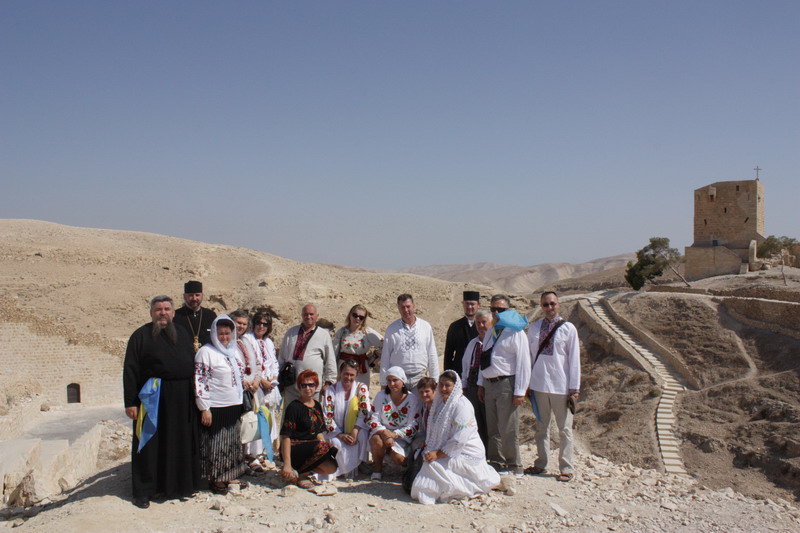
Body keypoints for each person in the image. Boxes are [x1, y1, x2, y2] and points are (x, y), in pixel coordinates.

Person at [123, 295, 200, 508]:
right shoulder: (140, 336)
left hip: (182, 397)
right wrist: (130, 402)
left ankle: (177, 486)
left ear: (173, 313)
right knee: (149, 443)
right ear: (151, 312)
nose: (163, 313)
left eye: (167, 309)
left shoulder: (182, 333)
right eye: (158, 309)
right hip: (153, 396)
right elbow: (130, 370)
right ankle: (144, 491)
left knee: (178, 441)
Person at [411, 371, 500, 505]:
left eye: (448, 385)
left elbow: (459, 440)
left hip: (466, 451)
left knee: (433, 465)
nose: (443, 389)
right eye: (441, 385)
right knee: (424, 459)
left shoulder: (462, 406)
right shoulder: (441, 404)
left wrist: (437, 454)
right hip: (446, 449)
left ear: (455, 386)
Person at [525, 291, 581, 482]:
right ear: (541, 306)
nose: (549, 307)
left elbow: (574, 359)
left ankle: (566, 467)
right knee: (541, 427)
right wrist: (527, 384)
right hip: (539, 384)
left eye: (552, 304)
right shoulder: (534, 328)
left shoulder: (568, 329)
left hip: (561, 386)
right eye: (545, 304)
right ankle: (541, 463)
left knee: (565, 429)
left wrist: (574, 388)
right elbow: (528, 358)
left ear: (558, 304)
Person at [477, 294, 531, 476]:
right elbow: (484, 357)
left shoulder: (516, 333)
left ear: (508, 310)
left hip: (506, 385)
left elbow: (524, 363)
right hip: (489, 384)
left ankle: (514, 464)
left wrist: (520, 391)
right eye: (493, 309)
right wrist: (480, 383)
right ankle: (496, 461)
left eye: (500, 309)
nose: (496, 313)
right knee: (493, 428)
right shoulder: (492, 331)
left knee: (508, 427)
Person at [194, 315, 248, 495]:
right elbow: (200, 381)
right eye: (221, 333)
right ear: (214, 334)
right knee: (217, 443)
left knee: (232, 441)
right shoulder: (206, 352)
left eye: (227, 333)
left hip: (234, 404)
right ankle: (216, 479)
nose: (224, 337)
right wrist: (204, 408)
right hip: (216, 406)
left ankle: (230, 475)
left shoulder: (233, 351)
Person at [279, 369, 339, 489]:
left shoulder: (317, 405)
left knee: (331, 467)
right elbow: (286, 436)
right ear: (299, 387)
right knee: (323, 446)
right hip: (294, 447)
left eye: (311, 385)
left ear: (316, 387)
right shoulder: (293, 407)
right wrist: (287, 464)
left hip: (311, 447)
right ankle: (302, 475)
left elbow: (318, 432)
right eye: (304, 385)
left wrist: (325, 451)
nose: (307, 388)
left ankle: (299, 471)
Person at [320, 360, 373, 480]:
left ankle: (361, 464)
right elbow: (328, 416)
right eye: (346, 374)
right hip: (336, 431)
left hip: (356, 428)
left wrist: (355, 430)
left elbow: (365, 412)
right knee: (336, 442)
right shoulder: (331, 390)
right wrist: (340, 434)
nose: (348, 378)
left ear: (357, 375)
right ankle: (341, 467)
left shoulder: (361, 388)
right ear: (340, 373)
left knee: (363, 436)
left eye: (351, 375)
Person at [368, 366, 422, 480]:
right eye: (389, 380)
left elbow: (413, 425)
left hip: (401, 436)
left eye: (395, 380)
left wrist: (394, 435)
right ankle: (377, 469)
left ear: (402, 381)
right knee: (376, 440)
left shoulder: (412, 399)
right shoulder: (381, 396)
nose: (392, 384)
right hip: (382, 434)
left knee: (401, 461)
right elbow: (373, 419)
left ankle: (388, 450)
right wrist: (385, 434)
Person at [278, 304, 337, 406]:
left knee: (312, 414)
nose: (308, 317)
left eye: (311, 314)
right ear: (302, 315)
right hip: (291, 387)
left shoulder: (323, 335)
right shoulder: (291, 332)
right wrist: (279, 379)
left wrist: (329, 382)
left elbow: (330, 360)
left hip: (312, 388)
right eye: (305, 314)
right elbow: (282, 358)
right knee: (291, 413)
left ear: (317, 316)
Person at [242, 311, 281, 463]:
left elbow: (274, 363)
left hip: (269, 385)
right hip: (256, 384)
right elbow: (250, 363)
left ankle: (264, 451)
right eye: (258, 323)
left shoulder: (268, 342)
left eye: (265, 324)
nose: (261, 326)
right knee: (256, 417)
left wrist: (273, 378)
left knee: (267, 416)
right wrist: (262, 380)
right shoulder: (247, 339)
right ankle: (253, 454)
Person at [380, 294, 439, 391]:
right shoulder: (392, 329)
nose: (406, 310)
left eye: (408, 306)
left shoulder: (425, 327)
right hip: (398, 379)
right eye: (402, 307)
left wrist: (435, 380)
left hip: (420, 379)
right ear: (398, 309)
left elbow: (432, 353)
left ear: (414, 307)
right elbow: (385, 356)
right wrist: (383, 383)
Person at [460, 309, 491, 447]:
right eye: (478, 323)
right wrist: (464, 385)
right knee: (475, 420)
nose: (481, 326)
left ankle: (491, 451)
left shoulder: (493, 342)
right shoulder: (473, 343)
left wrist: (482, 385)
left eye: (484, 322)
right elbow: (466, 365)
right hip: (472, 385)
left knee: (488, 420)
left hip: (487, 385)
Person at [333, 304, 383, 386]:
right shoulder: (341, 332)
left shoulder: (367, 332)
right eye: (355, 315)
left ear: (364, 319)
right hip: (344, 368)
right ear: (350, 315)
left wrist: (374, 356)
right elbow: (333, 353)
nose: (357, 318)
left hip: (361, 369)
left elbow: (384, 343)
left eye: (361, 317)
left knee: (360, 391)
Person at [174, 280, 217, 352]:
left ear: (202, 296)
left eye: (197, 295)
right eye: (190, 295)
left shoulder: (210, 315)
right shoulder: (176, 315)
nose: (194, 298)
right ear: (184, 296)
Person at [443, 291, 480, 373]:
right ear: (463, 304)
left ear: (478, 305)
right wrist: (448, 374)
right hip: (459, 371)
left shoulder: (483, 326)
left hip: (479, 372)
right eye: (467, 304)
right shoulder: (455, 326)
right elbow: (448, 353)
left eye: (472, 304)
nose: (469, 307)